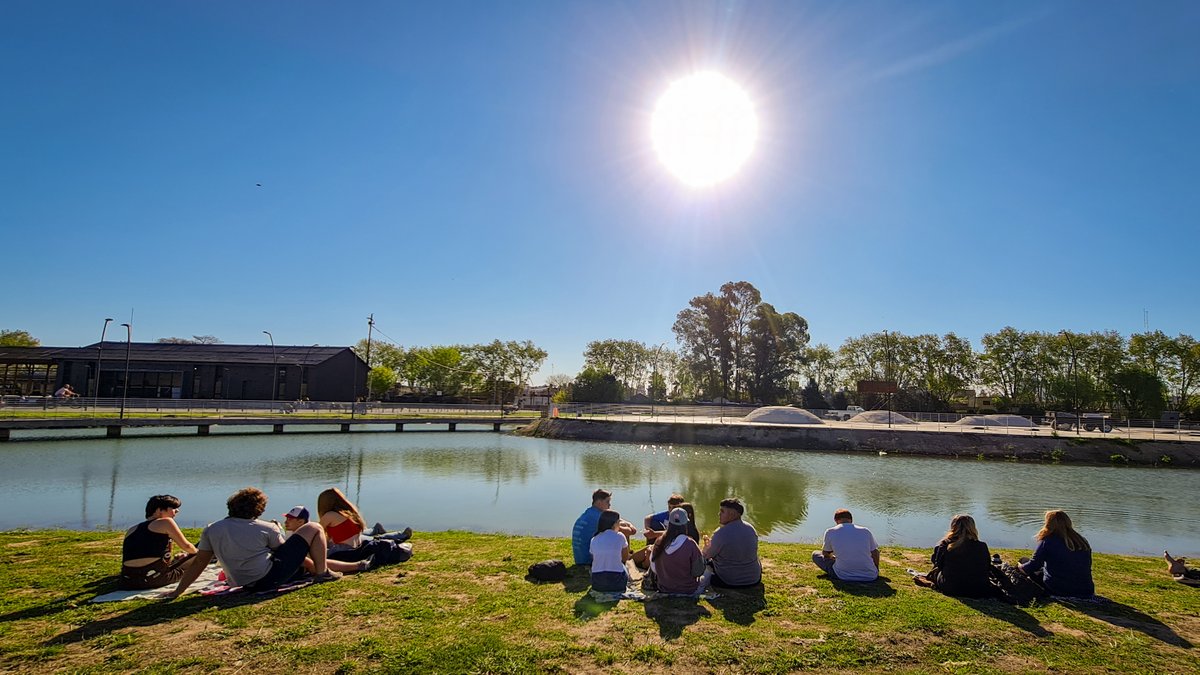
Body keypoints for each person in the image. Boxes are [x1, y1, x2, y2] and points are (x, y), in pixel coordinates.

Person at [163, 487, 341, 598]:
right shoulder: (266, 528)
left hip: (241, 581)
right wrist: (312, 565)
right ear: (258, 509)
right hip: (267, 579)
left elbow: (199, 563)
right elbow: (287, 555)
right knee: (314, 527)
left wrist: (178, 591)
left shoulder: (212, 529)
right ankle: (322, 573)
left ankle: (328, 569)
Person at [117, 494, 198, 590]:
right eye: (173, 508)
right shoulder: (166, 522)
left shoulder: (132, 529)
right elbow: (187, 546)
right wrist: (198, 553)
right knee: (201, 555)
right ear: (159, 510)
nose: (177, 511)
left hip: (128, 581)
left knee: (181, 559)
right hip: (155, 578)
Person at [1019, 510, 1094, 597]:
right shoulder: (1081, 541)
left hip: (1059, 589)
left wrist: (1020, 567)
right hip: (1087, 590)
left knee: (1023, 561)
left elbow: (1033, 565)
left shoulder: (1048, 541)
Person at [924, 514, 993, 598]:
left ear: (953, 527)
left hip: (951, 588)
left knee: (937, 572)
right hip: (979, 589)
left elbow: (938, 564)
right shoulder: (982, 546)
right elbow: (987, 566)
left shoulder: (946, 544)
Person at [703, 498, 762, 588]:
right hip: (754, 579)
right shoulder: (750, 528)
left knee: (705, 564)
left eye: (722, 511)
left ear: (732, 514)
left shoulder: (720, 533)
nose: (719, 514)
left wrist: (706, 546)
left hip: (729, 581)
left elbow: (707, 555)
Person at [571, 489, 636, 565]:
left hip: (580, 558)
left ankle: (626, 555)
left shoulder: (590, 513)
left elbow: (620, 520)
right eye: (607, 502)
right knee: (621, 531)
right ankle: (625, 558)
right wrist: (630, 527)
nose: (609, 505)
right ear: (599, 502)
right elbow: (630, 531)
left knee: (619, 526)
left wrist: (627, 524)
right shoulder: (600, 517)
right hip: (588, 559)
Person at [812, 509, 879, 582]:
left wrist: (833, 557)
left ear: (836, 520)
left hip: (842, 575)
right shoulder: (865, 531)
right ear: (851, 520)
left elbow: (826, 553)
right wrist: (876, 568)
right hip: (870, 575)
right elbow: (875, 552)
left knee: (815, 554)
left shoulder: (830, 531)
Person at [650, 507, 705, 594]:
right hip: (688, 589)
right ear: (685, 524)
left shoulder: (659, 541)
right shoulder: (690, 544)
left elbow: (654, 568)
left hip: (664, 588)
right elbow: (698, 571)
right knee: (707, 575)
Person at [589, 510, 631, 592]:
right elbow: (625, 558)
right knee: (624, 567)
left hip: (597, 584)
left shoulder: (594, 539)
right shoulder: (620, 536)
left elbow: (593, 558)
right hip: (617, 584)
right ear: (614, 524)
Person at [317, 488, 367, 552]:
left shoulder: (330, 515)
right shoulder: (351, 512)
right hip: (357, 547)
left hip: (344, 550)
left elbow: (315, 531)